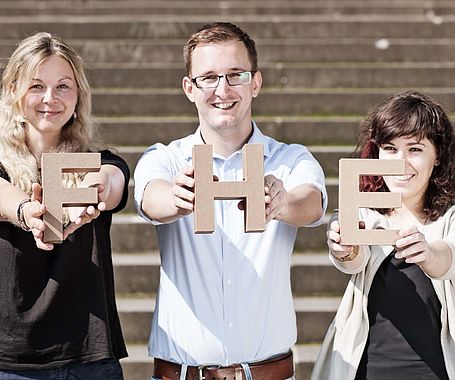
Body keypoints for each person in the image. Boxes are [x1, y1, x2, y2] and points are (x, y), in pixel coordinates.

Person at [134, 22, 327, 380]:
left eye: (235, 74)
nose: (222, 89)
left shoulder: (291, 159)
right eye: (208, 77)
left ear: (255, 82)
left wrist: (282, 203)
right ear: (189, 88)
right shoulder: (166, 158)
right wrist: (178, 198)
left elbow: (312, 200)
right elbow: (149, 196)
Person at [0, 32, 129, 379]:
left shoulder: (101, 160)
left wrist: (95, 190)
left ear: (78, 95)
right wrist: (27, 211)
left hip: (89, 359)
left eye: (63, 87)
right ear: (13, 90)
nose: (50, 99)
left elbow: (111, 181)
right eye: (36, 85)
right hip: (10, 363)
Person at [311, 90, 455, 380]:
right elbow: (352, 258)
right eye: (390, 148)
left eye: (415, 149)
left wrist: (427, 253)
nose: (400, 163)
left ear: (437, 156)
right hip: (366, 368)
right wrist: (345, 247)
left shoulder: (449, 216)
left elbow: (448, 257)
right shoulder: (363, 211)